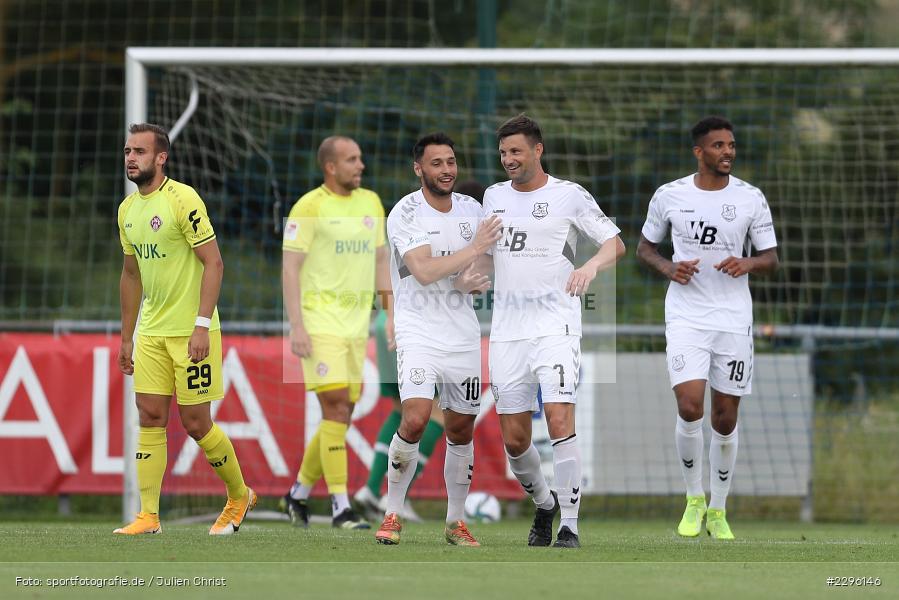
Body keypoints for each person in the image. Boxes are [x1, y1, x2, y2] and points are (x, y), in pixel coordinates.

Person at [484, 114, 625, 548]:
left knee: (560, 417)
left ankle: (570, 524)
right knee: (514, 440)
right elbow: (485, 253)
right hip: (507, 330)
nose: (509, 159)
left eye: (516, 151)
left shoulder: (569, 195)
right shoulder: (492, 197)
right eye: (504, 152)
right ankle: (544, 504)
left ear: (538, 150)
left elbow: (615, 243)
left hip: (556, 326)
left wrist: (589, 265)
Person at [636, 116, 779, 540]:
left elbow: (770, 257)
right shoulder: (670, 195)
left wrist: (747, 262)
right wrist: (668, 266)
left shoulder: (751, 198)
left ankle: (718, 508)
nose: (728, 152)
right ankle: (693, 498)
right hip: (686, 317)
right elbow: (645, 247)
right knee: (690, 405)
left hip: (734, 320)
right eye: (718, 146)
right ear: (699, 152)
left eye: (731, 145)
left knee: (725, 415)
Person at [115, 123, 255, 536]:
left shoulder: (182, 198)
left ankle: (238, 495)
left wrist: (199, 324)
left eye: (139, 151)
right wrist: (127, 336)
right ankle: (149, 516)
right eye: (127, 151)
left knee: (196, 423)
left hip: (193, 331)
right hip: (151, 332)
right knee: (150, 416)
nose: (130, 158)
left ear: (161, 158)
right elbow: (130, 275)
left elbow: (215, 263)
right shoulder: (127, 210)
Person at [374, 133, 502, 546]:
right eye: (436, 163)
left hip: (462, 333)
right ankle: (391, 512)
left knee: (460, 428)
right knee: (413, 417)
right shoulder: (405, 212)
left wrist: (472, 275)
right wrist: (475, 250)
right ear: (419, 169)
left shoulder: (471, 208)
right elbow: (425, 271)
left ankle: (454, 522)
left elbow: (477, 268)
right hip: (417, 328)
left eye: (451, 162)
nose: (446, 170)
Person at [354, 178, 488, 521]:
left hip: (393, 317)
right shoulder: (432, 225)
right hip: (409, 324)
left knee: (406, 412)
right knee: (432, 415)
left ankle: (374, 491)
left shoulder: (421, 223)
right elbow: (422, 272)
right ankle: (389, 496)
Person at [280, 136, 389, 529]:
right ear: (330, 167)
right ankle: (341, 508)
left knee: (341, 416)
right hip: (319, 322)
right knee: (338, 408)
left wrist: (389, 313)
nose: (361, 165)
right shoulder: (309, 206)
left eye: (360, 158)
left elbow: (380, 258)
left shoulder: (371, 202)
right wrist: (296, 326)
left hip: (357, 327)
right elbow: (290, 267)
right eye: (352, 160)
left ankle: (298, 494)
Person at [352, 309, 443, 523]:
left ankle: (371, 490)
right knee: (439, 413)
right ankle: (396, 497)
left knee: (400, 410)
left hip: (388, 319)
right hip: (419, 321)